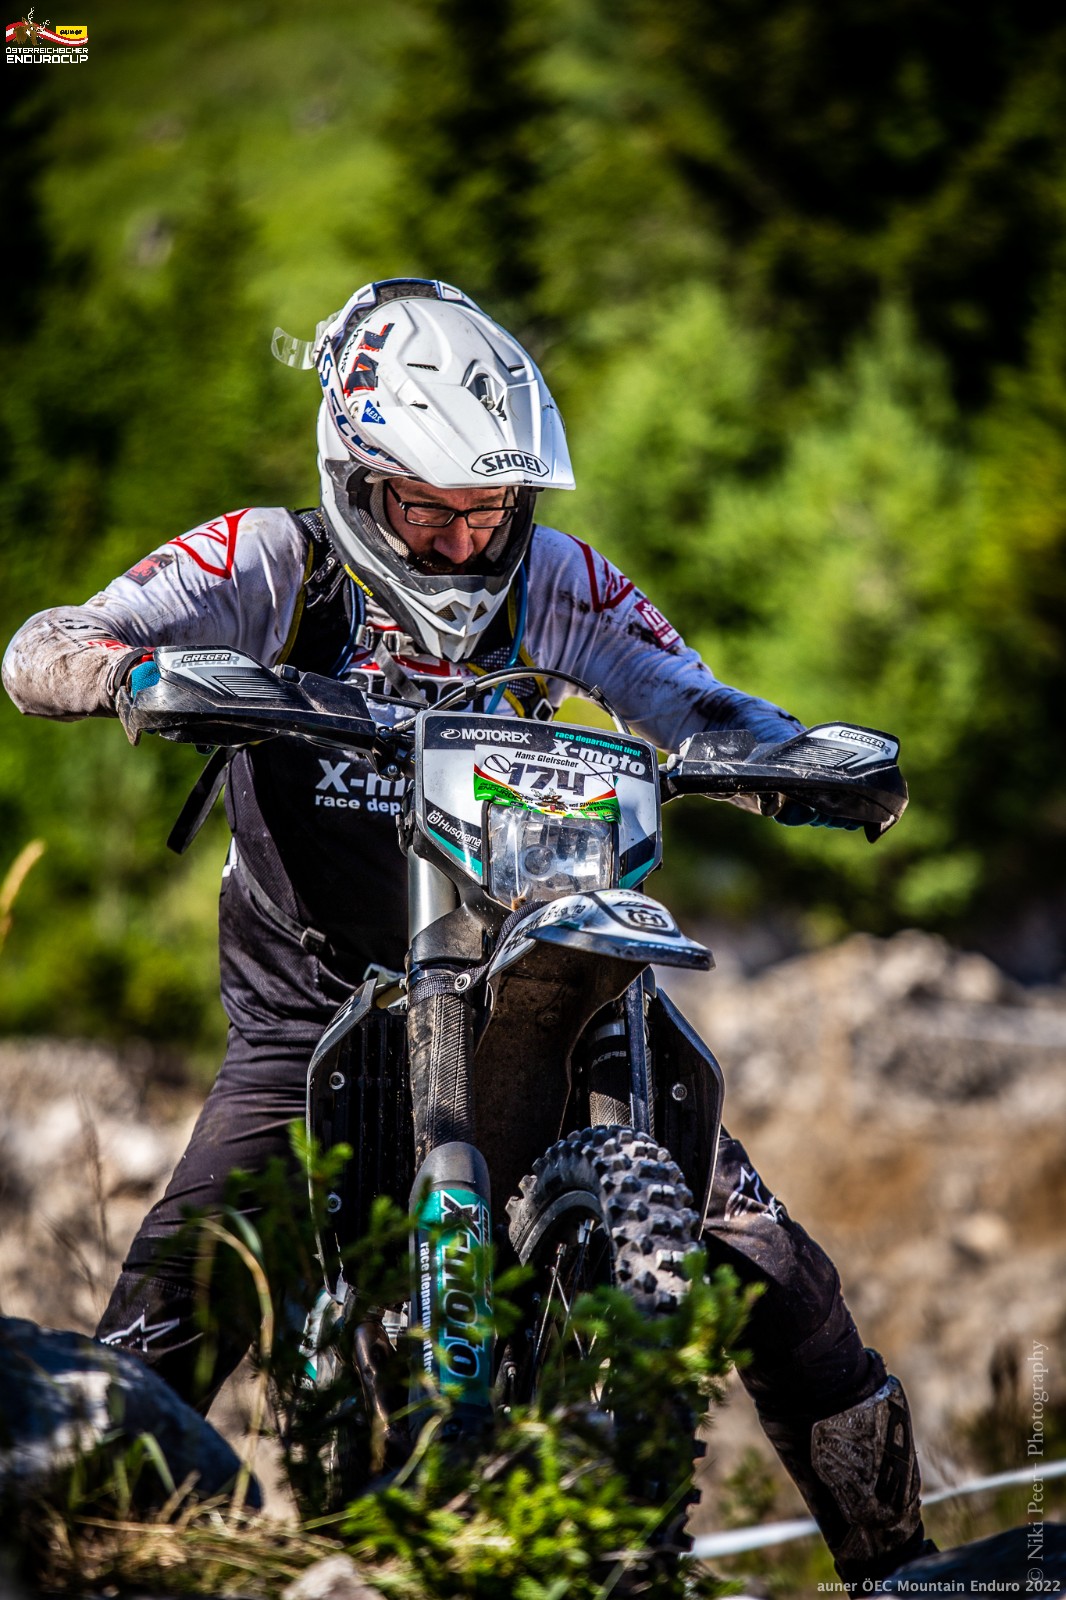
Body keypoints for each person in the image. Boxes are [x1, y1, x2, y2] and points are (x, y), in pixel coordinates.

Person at [3, 276, 933, 1589]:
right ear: (355, 482)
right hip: (316, 1006)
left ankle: (902, 1566)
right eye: (427, 511)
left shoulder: (558, 577)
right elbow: (43, 644)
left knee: (766, 1262)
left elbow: (689, 696)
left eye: (485, 511)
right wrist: (132, 672)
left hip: (535, 961)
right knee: (171, 1305)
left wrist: (792, 756)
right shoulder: (270, 561)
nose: (457, 544)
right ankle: (73, 1560)